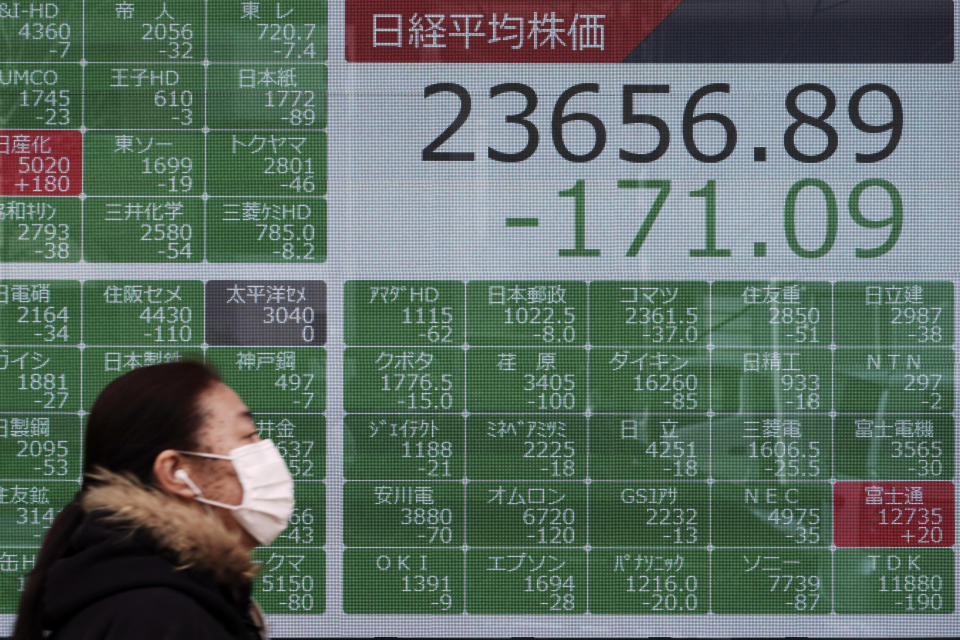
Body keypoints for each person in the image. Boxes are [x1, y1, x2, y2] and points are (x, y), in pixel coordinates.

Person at [13, 361, 294, 640]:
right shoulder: (160, 619)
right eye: (248, 437)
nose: (266, 453)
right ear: (175, 472)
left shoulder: (150, 598)